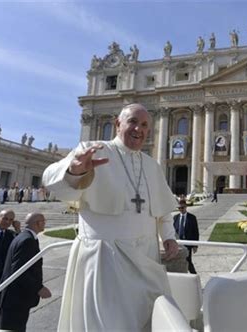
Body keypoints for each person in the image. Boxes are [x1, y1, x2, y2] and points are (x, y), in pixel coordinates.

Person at [42, 103, 179, 330]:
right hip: (105, 258)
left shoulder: (152, 165)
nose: (139, 129)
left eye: (144, 125)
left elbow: (162, 210)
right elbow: (50, 178)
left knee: (147, 320)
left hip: (147, 257)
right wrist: (75, 171)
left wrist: (168, 236)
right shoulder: (93, 149)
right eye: (133, 121)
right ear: (117, 124)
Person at [0, 213, 51, 331]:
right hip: (15, 299)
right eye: (43, 221)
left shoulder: (24, 237)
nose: (45, 223)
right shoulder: (27, 240)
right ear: (37, 223)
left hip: (15, 298)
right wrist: (39, 288)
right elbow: (19, 271)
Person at [173, 200, 199, 274]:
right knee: (178, 260)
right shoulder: (175, 217)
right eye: (179, 208)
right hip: (178, 243)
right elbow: (173, 230)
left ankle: (194, 274)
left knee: (188, 260)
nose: (181, 209)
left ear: (186, 207)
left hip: (188, 243)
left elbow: (195, 232)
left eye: (182, 207)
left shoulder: (192, 218)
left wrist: (195, 245)